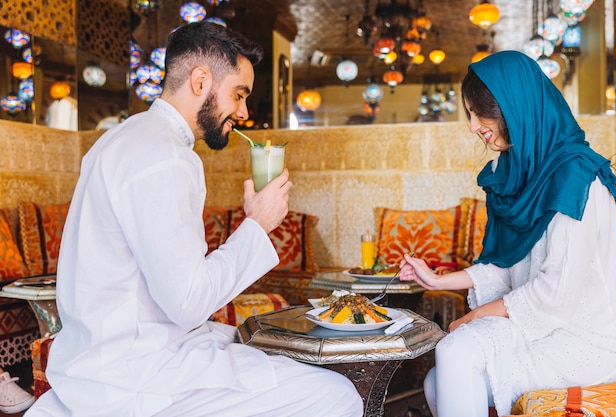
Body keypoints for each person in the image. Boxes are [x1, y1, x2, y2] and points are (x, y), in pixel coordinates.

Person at [25, 22, 363, 417]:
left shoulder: (122, 138)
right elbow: (186, 303)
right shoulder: (165, 156)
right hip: (136, 377)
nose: (244, 112)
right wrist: (257, 224)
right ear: (201, 80)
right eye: (239, 94)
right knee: (338, 396)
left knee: (247, 344)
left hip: (100, 356)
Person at [399, 50, 616, 417]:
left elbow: (557, 294)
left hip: (590, 336)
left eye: (479, 112)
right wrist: (438, 281)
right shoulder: (519, 172)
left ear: (515, 107)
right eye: (470, 114)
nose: (473, 126)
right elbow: (507, 266)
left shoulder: (575, 178)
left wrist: (473, 318)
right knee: (439, 379)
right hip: (546, 325)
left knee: (453, 355)